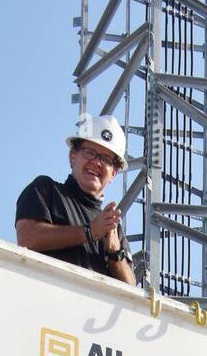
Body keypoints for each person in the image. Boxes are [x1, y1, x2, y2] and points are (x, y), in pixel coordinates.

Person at [15, 114, 135, 286]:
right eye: (90, 152)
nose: (97, 162)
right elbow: (28, 238)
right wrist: (89, 231)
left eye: (106, 159)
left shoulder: (113, 228)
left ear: (114, 174)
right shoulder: (46, 190)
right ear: (73, 156)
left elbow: (130, 287)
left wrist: (115, 252)